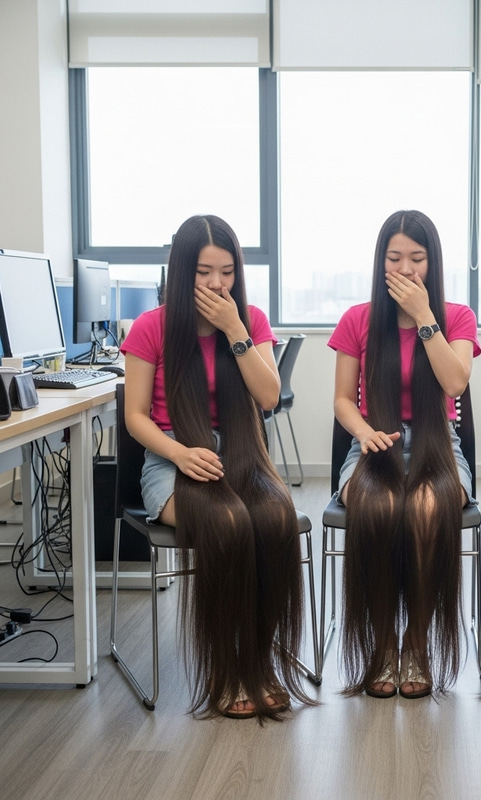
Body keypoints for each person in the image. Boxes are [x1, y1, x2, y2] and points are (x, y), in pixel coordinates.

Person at [121, 214, 311, 722]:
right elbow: (135, 417)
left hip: (242, 455)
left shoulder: (250, 319)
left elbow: (269, 397)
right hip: (173, 459)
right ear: (182, 271)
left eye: (226, 271)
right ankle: (227, 667)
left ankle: (261, 659)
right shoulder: (151, 327)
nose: (216, 284)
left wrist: (235, 330)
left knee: (273, 521)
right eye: (204, 271)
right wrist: (180, 454)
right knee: (227, 525)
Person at [328, 209, 481, 699]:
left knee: (425, 511)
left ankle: (416, 644)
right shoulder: (358, 320)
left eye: (417, 259)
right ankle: (381, 646)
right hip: (374, 444)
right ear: (381, 263)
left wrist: (424, 318)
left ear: (432, 264)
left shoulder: (455, 317)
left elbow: (455, 382)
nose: (406, 268)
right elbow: (340, 400)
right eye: (395, 258)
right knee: (379, 508)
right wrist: (364, 430)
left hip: (440, 446)